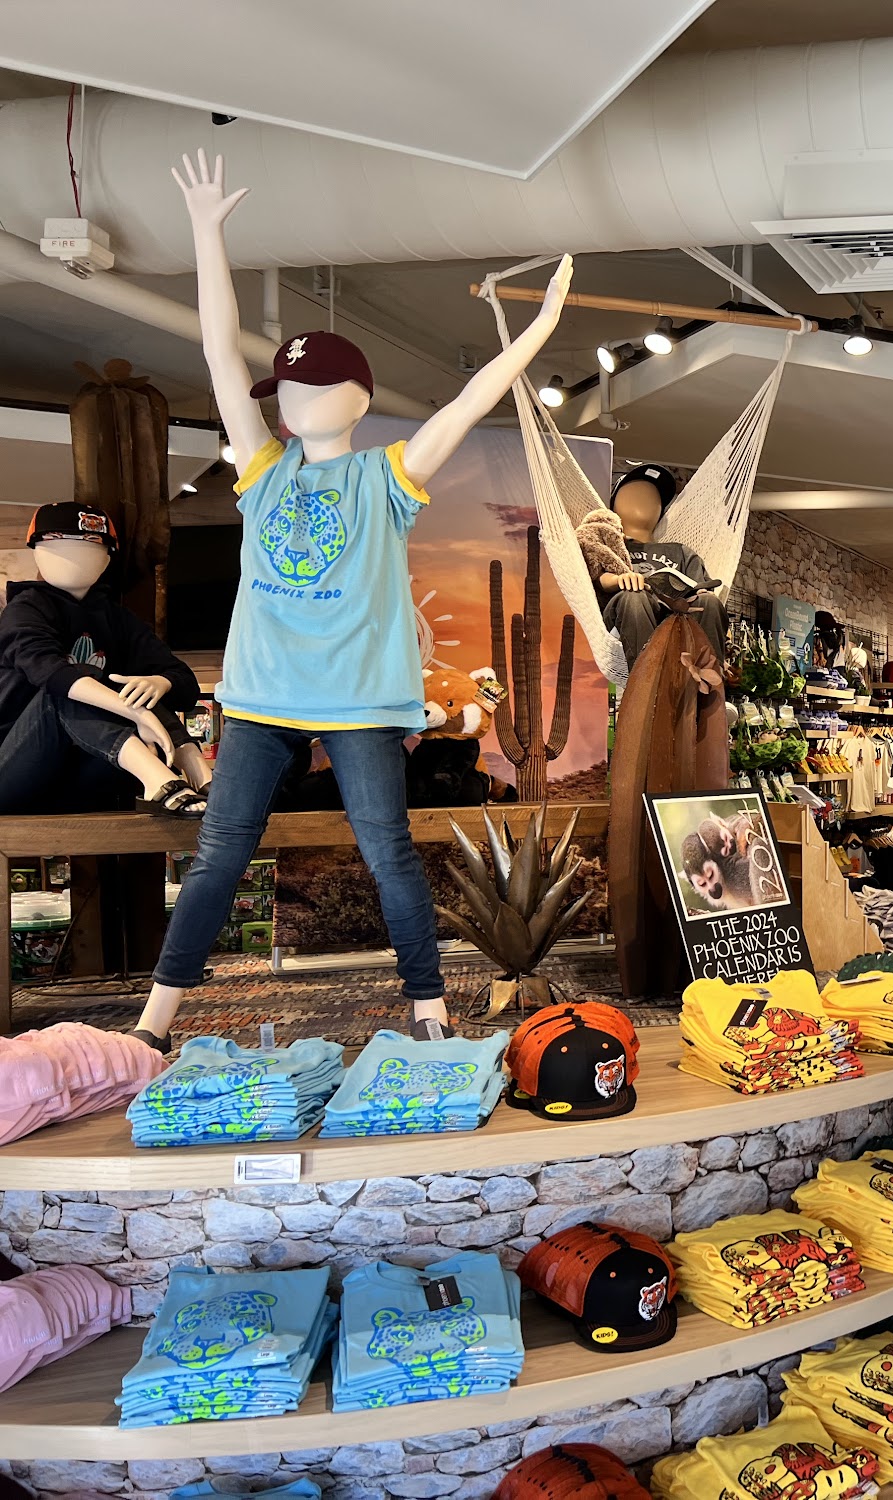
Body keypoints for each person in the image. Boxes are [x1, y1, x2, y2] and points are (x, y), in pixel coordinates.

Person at [130, 150, 573, 1052]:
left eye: (312, 386)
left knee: (387, 851)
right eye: (285, 390)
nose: (292, 401)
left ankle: (428, 1008)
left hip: (362, 703)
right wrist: (208, 234)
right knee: (218, 855)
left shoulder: (387, 477)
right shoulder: (262, 471)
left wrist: (536, 333)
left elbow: (465, 404)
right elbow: (218, 353)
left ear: (357, 397)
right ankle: (152, 1022)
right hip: (261, 698)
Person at [0, 503, 211, 815]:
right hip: (15, 769)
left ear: (106, 558)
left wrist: (159, 683)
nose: (75, 555)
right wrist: (132, 712)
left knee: (139, 686)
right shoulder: (25, 611)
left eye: (90, 544)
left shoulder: (117, 618)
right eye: (58, 542)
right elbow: (49, 671)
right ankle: (159, 781)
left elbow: (184, 684)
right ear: (38, 551)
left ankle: (199, 772)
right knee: (66, 688)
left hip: (80, 772)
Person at [575, 463, 726, 665]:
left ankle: (707, 677)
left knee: (709, 602)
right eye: (633, 493)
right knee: (634, 597)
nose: (645, 499)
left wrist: (699, 594)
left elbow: (700, 592)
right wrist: (620, 580)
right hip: (626, 621)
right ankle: (648, 678)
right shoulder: (610, 544)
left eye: (655, 496)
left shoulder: (680, 551)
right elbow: (597, 577)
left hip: (676, 623)